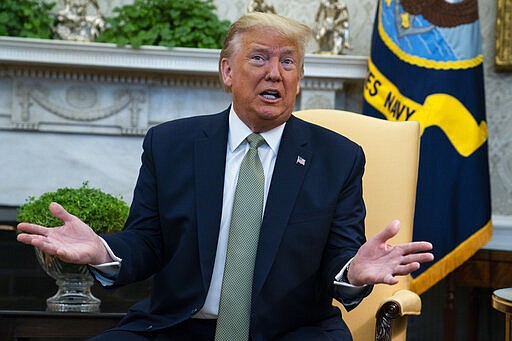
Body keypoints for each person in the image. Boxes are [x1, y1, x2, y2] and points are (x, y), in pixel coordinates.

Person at [17, 12, 433, 341]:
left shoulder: (337, 158)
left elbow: (340, 258)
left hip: (292, 332)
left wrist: (353, 272)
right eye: (259, 58)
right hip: (177, 328)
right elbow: (147, 241)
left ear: (298, 78)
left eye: (288, 61)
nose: (275, 73)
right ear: (227, 72)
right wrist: (103, 250)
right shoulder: (170, 145)